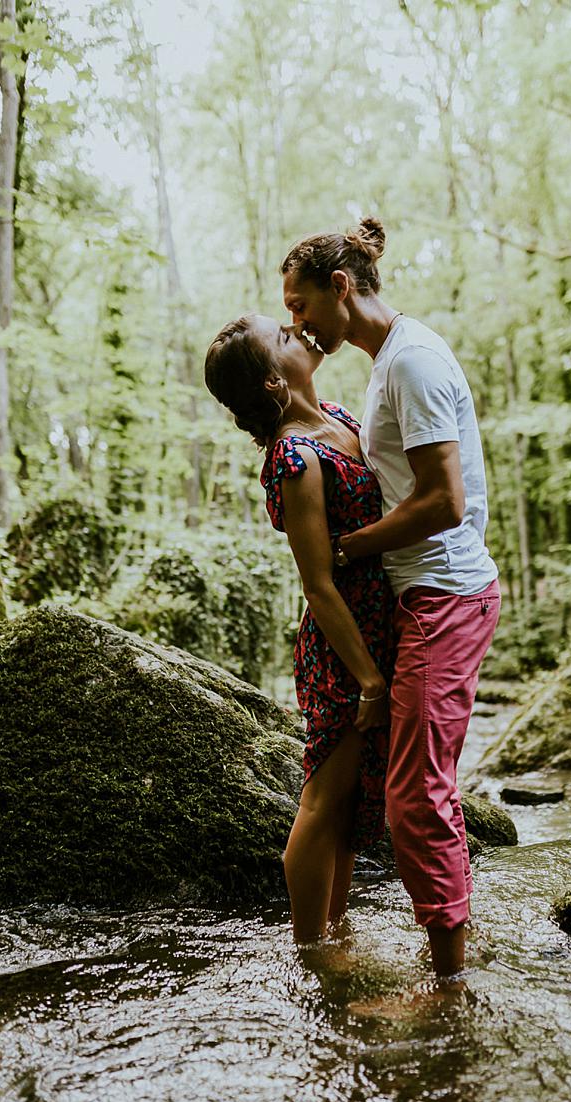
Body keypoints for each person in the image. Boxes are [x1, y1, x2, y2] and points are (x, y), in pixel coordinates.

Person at [280, 217, 501, 979]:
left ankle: (449, 986)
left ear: (340, 286)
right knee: (401, 792)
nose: (295, 322)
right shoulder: (383, 366)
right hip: (419, 598)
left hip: (446, 592)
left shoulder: (410, 363)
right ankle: (443, 958)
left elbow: (443, 501)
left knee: (414, 797)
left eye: (300, 304)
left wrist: (348, 548)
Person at [206, 313, 395, 947]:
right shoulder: (295, 457)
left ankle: (336, 932)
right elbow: (318, 582)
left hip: (381, 631)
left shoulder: (340, 419)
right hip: (345, 651)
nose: (298, 330)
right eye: (282, 337)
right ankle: (311, 950)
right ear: (270, 384)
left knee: (347, 807)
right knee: (322, 801)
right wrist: (369, 677)